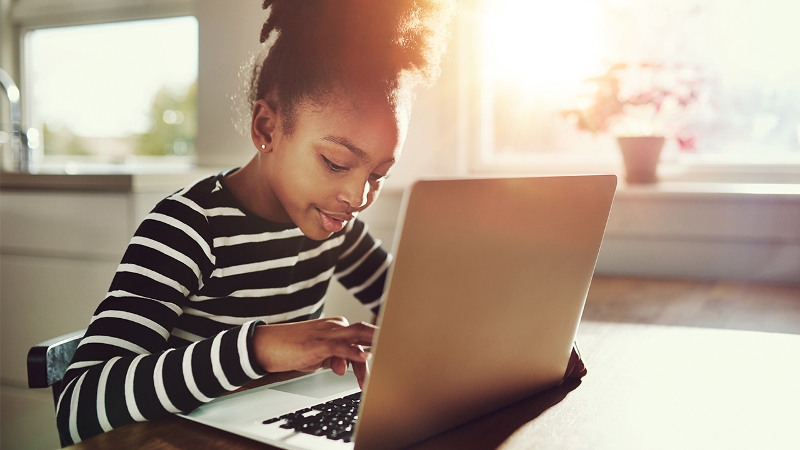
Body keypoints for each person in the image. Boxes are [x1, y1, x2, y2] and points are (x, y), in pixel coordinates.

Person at [56, 0, 584, 445]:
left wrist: (519, 353)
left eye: (378, 173)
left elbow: (414, 313)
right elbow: (78, 403)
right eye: (336, 163)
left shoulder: (335, 228)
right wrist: (259, 348)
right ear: (267, 127)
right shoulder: (188, 228)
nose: (357, 196)